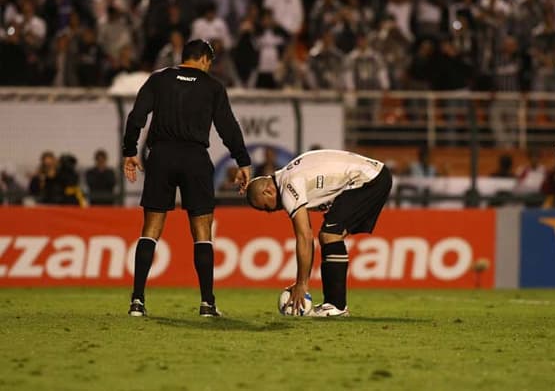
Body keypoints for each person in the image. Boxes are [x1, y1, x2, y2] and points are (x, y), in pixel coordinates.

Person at [122, 39, 251, 318]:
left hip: (161, 156)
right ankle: (207, 303)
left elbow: (137, 117)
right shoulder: (212, 86)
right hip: (195, 158)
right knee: (202, 232)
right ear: (204, 59)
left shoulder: (159, 79)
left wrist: (130, 151)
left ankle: (137, 301)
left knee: (151, 228)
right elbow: (228, 127)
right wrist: (243, 161)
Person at [245, 149, 392, 317]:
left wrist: (301, 284)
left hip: (368, 180)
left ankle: (336, 306)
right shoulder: (289, 175)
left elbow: (305, 237)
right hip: (373, 175)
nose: (270, 211)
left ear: (267, 191)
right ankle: (335, 304)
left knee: (330, 235)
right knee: (330, 235)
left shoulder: (288, 185)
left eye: (265, 207)